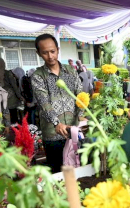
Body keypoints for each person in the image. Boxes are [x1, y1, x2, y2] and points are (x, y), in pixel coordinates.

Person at [32, 33, 83, 173]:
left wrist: (81, 117)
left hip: (74, 130)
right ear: (38, 53)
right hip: (53, 134)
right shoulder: (38, 76)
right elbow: (44, 102)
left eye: (53, 51)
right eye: (45, 53)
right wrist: (57, 123)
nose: (50, 56)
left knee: (77, 169)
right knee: (58, 172)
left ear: (58, 49)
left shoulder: (71, 71)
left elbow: (81, 96)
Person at [0, 58, 24, 124]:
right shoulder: (8, 73)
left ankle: (6, 129)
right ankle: (14, 130)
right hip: (11, 98)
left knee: (4, 115)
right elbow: (14, 86)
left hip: (0, 98)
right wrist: (20, 96)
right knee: (13, 115)